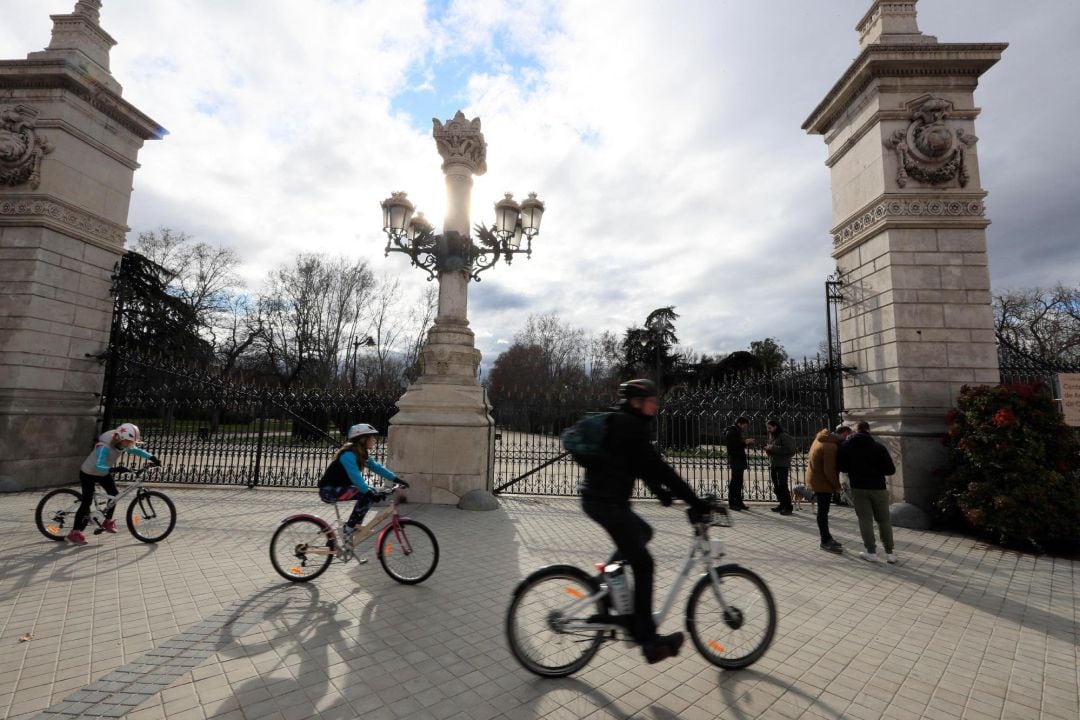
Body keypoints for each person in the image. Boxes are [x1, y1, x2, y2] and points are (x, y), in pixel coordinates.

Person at [579, 378, 711, 664]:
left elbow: (639, 464)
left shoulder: (626, 423)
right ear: (637, 402)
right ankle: (647, 638)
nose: (656, 406)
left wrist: (660, 492)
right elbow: (658, 467)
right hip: (606, 503)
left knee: (644, 532)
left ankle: (602, 580)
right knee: (645, 564)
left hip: (605, 500)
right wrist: (696, 502)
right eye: (652, 401)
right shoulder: (629, 425)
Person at [69, 423, 160, 545]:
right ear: (120, 438)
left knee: (114, 495)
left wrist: (152, 457)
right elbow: (99, 465)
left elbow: (136, 450)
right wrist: (116, 469)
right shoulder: (104, 447)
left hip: (103, 473)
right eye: (128, 442)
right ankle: (74, 533)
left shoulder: (121, 444)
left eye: (131, 442)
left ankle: (107, 521)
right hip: (88, 474)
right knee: (87, 502)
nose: (129, 445)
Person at [318, 423, 398, 544]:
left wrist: (395, 479)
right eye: (371, 437)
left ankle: (353, 527)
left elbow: (376, 467)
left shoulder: (360, 453)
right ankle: (349, 528)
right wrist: (368, 492)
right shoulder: (348, 455)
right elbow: (356, 478)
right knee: (367, 494)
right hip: (329, 491)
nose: (374, 440)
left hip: (340, 488)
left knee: (371, 492)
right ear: (362, 439)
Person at [837, 420, 898, 564]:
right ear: (868, 430)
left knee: (865, 520)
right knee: (884, 520)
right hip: (878, 487)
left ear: (855, 431)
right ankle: (890, 553)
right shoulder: (878, 447)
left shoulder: (846, 446)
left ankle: (871, 552)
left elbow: (843, 467)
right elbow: (891, 470)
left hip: (859, 487)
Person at [805, 425, 852, 553]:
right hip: (822, 482)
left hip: (816, 478)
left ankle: (827, 537)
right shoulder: (830, 446)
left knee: (822, 511)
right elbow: (829, 470)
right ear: (844, 433)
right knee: (823, 512)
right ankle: (825, 540)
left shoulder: (821, 438)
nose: (848, 439)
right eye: (848, 436)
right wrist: (837, 486)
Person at [721, 417, 754, 510]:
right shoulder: (731, 432)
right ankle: (732, 503)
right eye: (745, 425)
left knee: (738, 482)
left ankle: (739, 502)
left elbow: (737, 445)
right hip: (735, 460)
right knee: (735, 482)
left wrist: (744, 443)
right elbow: (733, 447)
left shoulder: (736, 431)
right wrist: (745, 442)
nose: (746, 428)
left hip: (739, 459)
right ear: (740, 423)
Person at [764, 419, 796, 515]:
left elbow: (790, 449)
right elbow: (774, 449)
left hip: (782, 464)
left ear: (775, 427)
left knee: (782, 485)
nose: (768, 430)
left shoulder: (783, 436)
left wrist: (772, 448)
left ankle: (788, 507)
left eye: (770, 428)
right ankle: (782, 504)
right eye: (767, 428)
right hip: (774, 463)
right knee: (777, 486)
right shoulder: (774, 436)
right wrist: (768, 449)